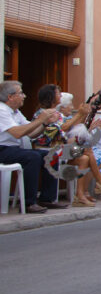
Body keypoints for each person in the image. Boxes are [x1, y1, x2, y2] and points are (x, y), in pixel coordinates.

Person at [0, 81, 67, 213]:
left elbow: (31, 133)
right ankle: (28, 203)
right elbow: (17, 133)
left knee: (50, 155)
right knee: (32, 157)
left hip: (13, 149)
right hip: (2, 148)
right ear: (10, 97)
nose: (24, 96)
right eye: (21, 93)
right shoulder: (2, 110)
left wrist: (44, 124)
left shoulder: (15, 112)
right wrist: (40, 120)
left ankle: (47, 198)